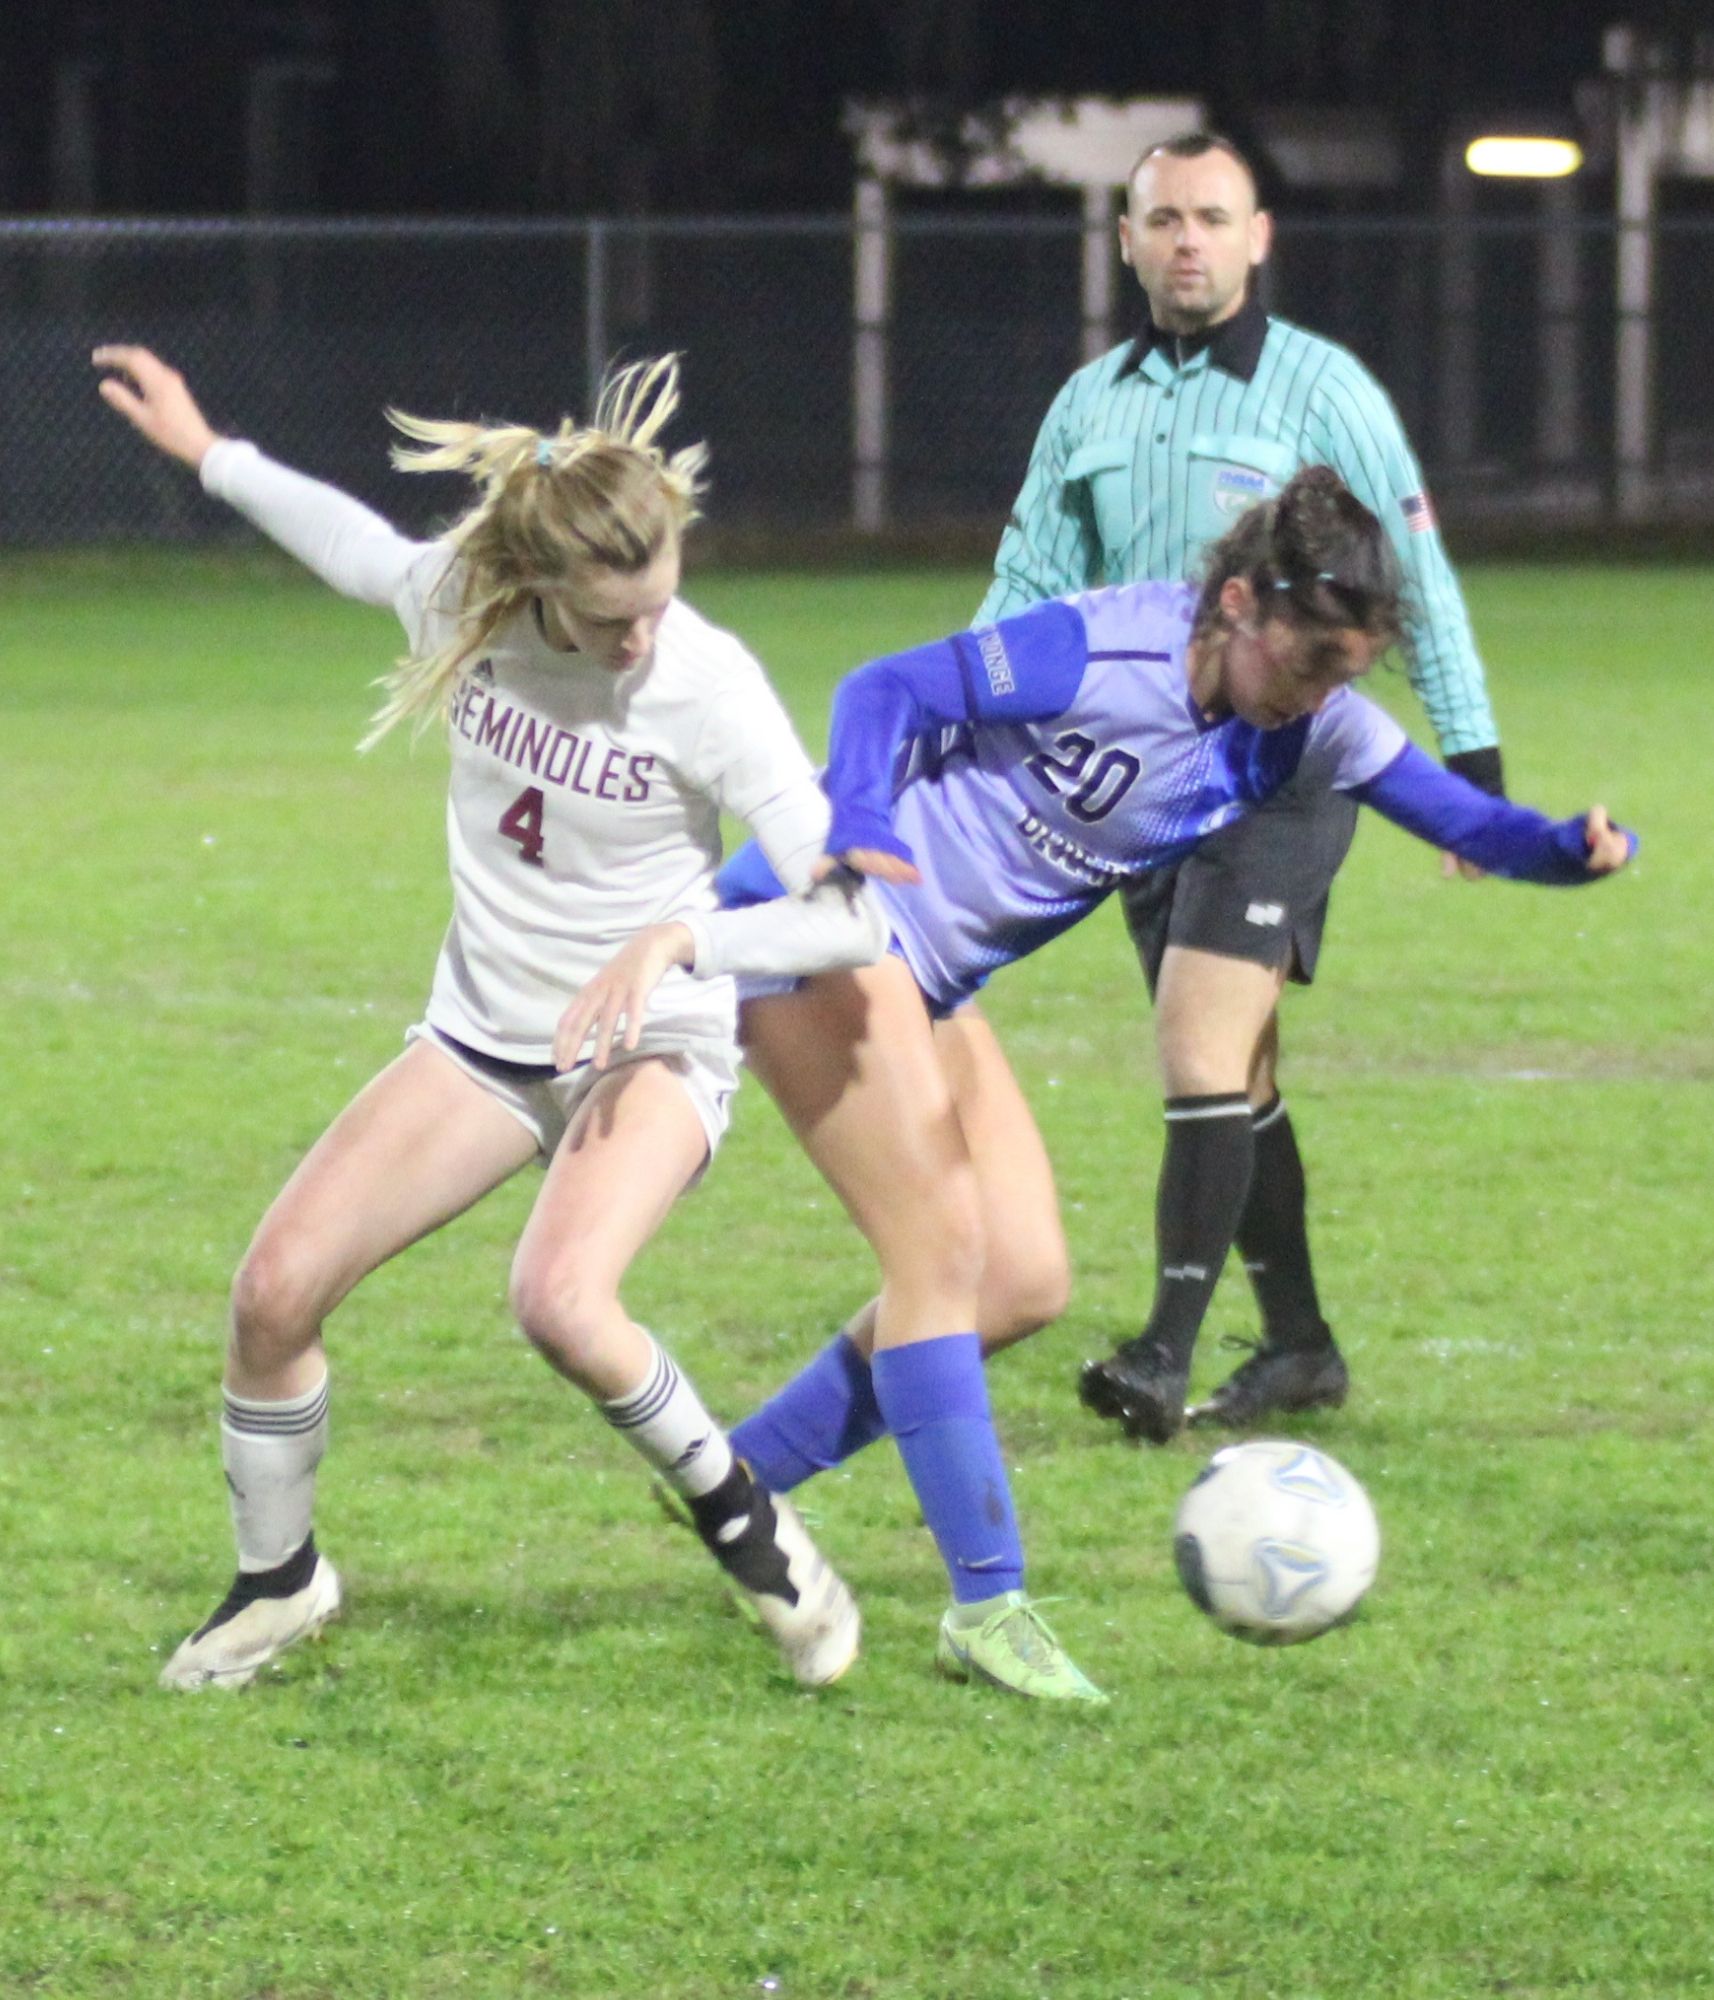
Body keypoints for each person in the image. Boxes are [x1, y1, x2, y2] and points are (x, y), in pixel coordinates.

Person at [558, 468, 1632, 1704]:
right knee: (939, 1254)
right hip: (825, 934)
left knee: (1020, 1280)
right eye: (1305, 664)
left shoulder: (1310, 722)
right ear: (1235, 603)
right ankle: (987, 1604)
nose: (1316, 698)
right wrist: (853, 810)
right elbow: (886, 687)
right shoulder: (1100, 648)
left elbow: (1462, 817)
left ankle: (731, 1477)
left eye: (1342, 675)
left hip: (929, 975)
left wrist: (1564, 849)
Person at [92, 342, 883, 1692]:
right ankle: (281, 1585)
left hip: (653, 1043)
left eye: (661, 606)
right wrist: (210, 453)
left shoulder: (706, 679)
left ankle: (751, 1528)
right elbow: (352, 546)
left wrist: (683, 937)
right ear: (539, 588)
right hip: (483, 1043)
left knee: (562, 1303)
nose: (645, 640)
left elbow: (852, 917)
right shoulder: (469, 598)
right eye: (615, 620)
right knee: (273, 1295)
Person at [977, 130, 1511, 1443]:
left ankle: (1160, 1357)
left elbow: (1415, 585)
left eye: (1211, 218)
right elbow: (1027, 583)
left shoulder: (1322, 391)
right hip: (1142, 783)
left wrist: (1474, 767)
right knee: (1239, 1069)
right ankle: (1299, 1347)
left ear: (1257, 235)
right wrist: (976, 727)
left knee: (1196, 1044)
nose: (1187, 242)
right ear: (1125, 238)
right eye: (1162, 219)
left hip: (1285, 770)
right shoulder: (1087, 405)